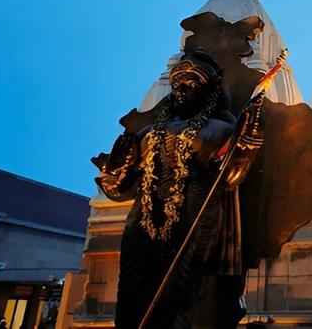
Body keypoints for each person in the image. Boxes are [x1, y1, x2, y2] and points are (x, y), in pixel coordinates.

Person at [94, 49, 264, 329]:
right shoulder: (146, 135)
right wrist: (114, 169)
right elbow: (117, 188)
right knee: (132, 289)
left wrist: (248, 141)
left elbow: (232, 177)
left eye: (191, 84)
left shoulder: (219, 129)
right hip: (145, 217)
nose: (181, 90)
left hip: (195, 211)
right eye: (177, 84)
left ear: (208, 89)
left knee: (185, 290)